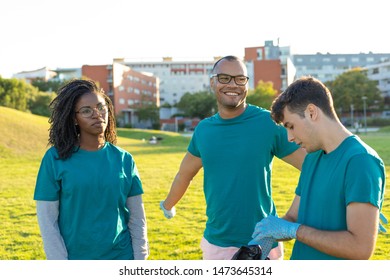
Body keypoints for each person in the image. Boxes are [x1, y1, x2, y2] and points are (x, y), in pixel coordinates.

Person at [160, 55, 306, 260]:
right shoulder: (204, 130)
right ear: (213, 82)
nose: (233, 85)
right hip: (218, 243)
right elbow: (184, 174)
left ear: (247, 83)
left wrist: (290, 217)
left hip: (263, 242)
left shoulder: (267, 123)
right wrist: (167, 205)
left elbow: (311, 167)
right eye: (224, 78)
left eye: (239, 79)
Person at [251, 76, 386, 259]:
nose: (289, 137)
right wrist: (265, 236)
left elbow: (360, 249)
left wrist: (294, 230)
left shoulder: (361, 161)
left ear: (312, 112)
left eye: (291, 126)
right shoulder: (312, 158)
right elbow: (293, 217)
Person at [34, 79, 149, 260]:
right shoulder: (54, 159)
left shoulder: (124, 159)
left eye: (101, 107)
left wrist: (140, 259)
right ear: (74, 118)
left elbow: (137, 217)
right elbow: (47, 220)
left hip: (121, 256)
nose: (97, 115)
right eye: (86, 111)